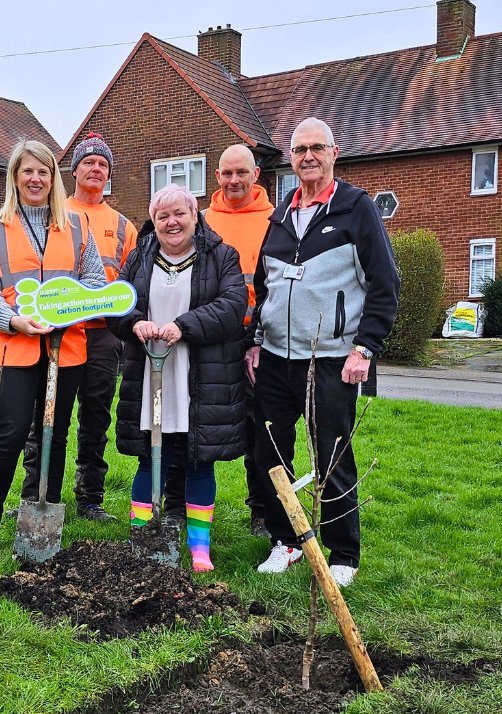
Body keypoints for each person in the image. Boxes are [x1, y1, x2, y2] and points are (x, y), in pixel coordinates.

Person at [247, 118, 399, 586]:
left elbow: (384, 284)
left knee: (331, 454)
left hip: (331, 357)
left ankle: (343, 553)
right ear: (290, 159)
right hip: (274, 357)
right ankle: (286, 540)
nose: (307, 156)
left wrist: (364, 348)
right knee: (269, 450)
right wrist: (255, 342)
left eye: (316, 147)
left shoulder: (356, 209)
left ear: (335, 152)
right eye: (299, 149)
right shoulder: (280, 217)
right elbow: (264, 286)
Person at [0, 139, 106, 559]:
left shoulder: (77, 227)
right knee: (9, 435)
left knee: (54, 435)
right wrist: (15, 320)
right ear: (14, 177)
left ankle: (39, 511)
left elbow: (97, 284)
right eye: (27, 171)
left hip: (67, 351)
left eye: (43, 172)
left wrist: (67, 310)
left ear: (53, 179)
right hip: (14, 348)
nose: (35, 179)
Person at [110, 184, 247, 572]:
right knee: (149, 457)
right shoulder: (138, 258)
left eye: (179, 214)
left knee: (198, 460)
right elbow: (116, 305)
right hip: (151, 374)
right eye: (162, 216)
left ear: (194, 214)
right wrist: (135, 324)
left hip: (199, 377)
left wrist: (183, 326)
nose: (172, 222)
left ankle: (198, 547)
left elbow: (233, 305)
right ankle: (144, 537)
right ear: (153, 222)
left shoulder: (221, 256)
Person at [17, 133, 137, 522]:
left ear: (109, 174)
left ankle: (89, 497)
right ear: (74, 170)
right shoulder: (55, 214)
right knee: (46, 414)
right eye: (89, 162)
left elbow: (131, 280)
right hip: (56, 332)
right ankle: (35, 492)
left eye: (103, 164)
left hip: (102, 333)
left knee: (96, 415)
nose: (96, 169)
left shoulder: (123, 225)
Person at [162, 144, 274, 538]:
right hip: (205, 336)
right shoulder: (202, 219)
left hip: (258, 334)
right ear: (217, 177)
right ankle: (175, 505)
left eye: (241, 172)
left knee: (262, 427)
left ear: (255, 175)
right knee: (186, 421)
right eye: (226, 173)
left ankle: (263, 512)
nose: (233, 180)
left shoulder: (276, 220)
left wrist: (259, 333)